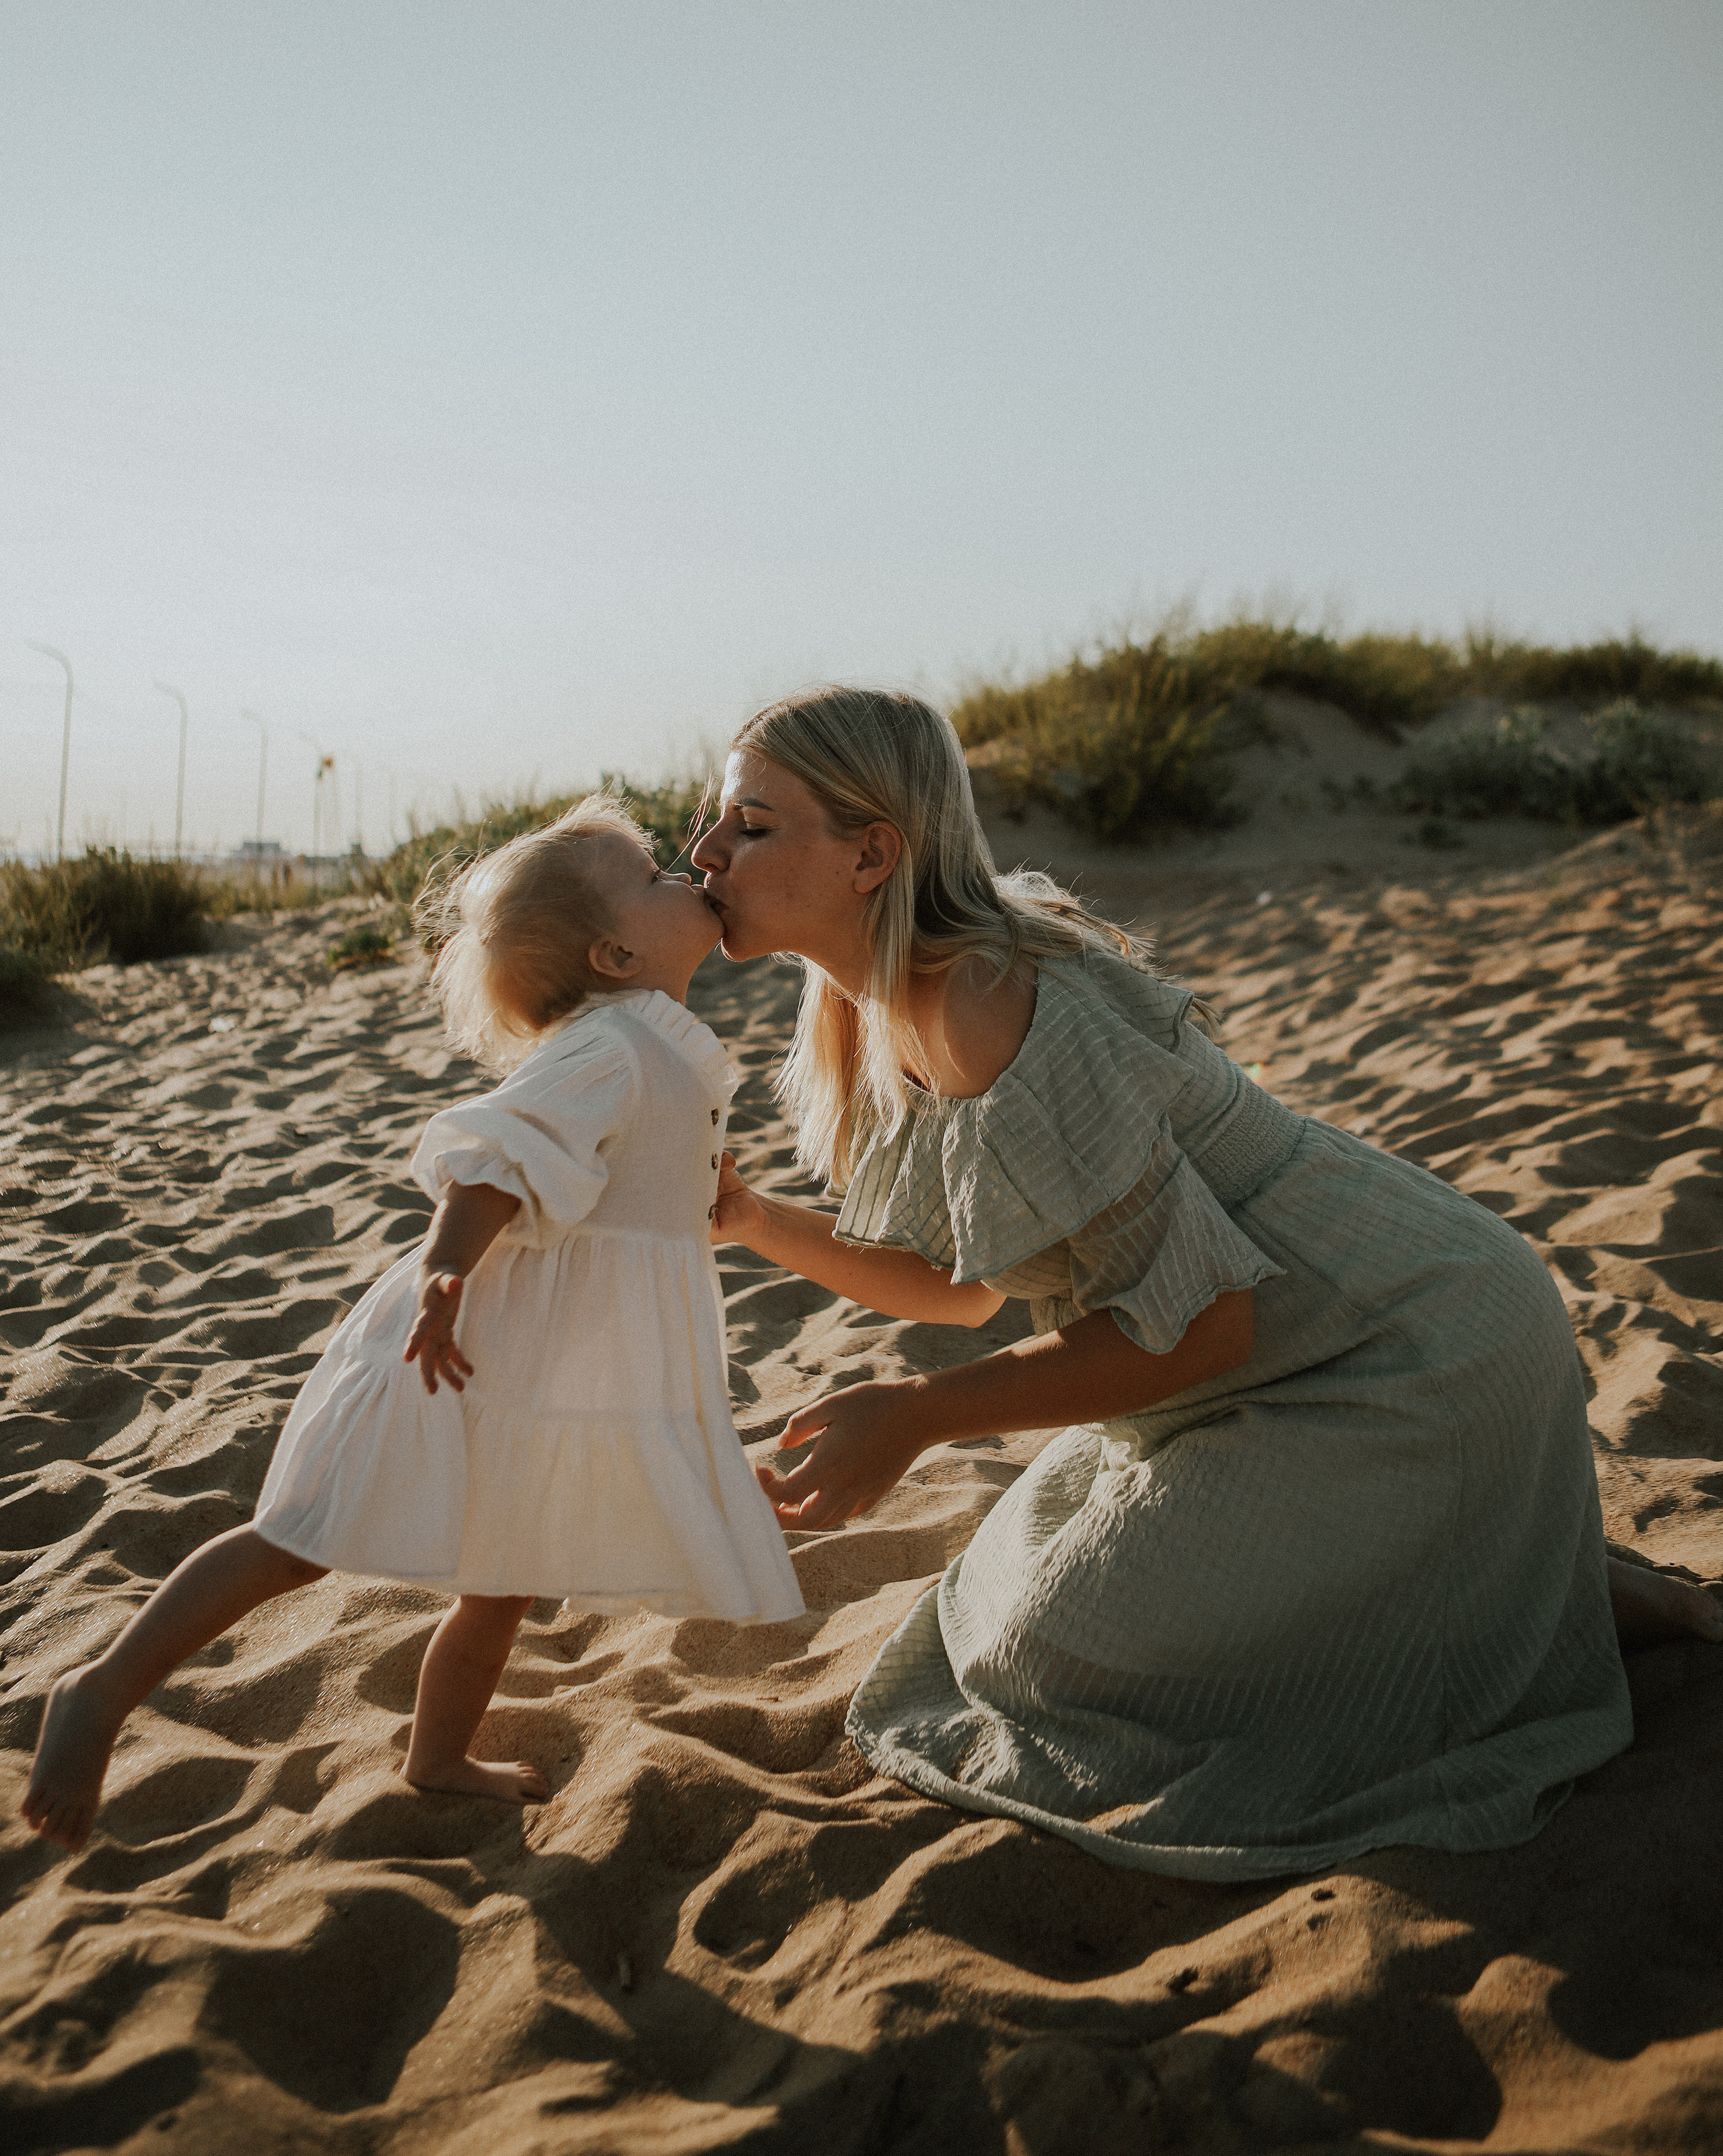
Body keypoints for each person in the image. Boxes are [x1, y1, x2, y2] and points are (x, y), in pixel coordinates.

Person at [694, 685, 1719, 1881]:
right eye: (715, 822)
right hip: (1268, 1367)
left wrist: (919, 1415)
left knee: (1047, 1657)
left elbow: (1202, 1331)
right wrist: (750, 1219)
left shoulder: (990, 999)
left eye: (752, 825)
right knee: (1010, 1601)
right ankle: (1514, 1577)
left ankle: (1504, 1582)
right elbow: (964, 1285)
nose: (705, 854)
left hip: (1411, 1352)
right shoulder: (879, 1006)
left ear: (873, 852)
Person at [23, 796, 802, 1854]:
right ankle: (99, 1690)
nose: (687, 876)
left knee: (505, 1582)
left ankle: (436, 1756)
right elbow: (496, 1157)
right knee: (299, 1538)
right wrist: (443, 1272)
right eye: (657, 875)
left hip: (553, 1363)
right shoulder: (608, 1047)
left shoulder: (655, 1040)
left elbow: (643, 1166)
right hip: (471, 1342)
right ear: (615, 950)